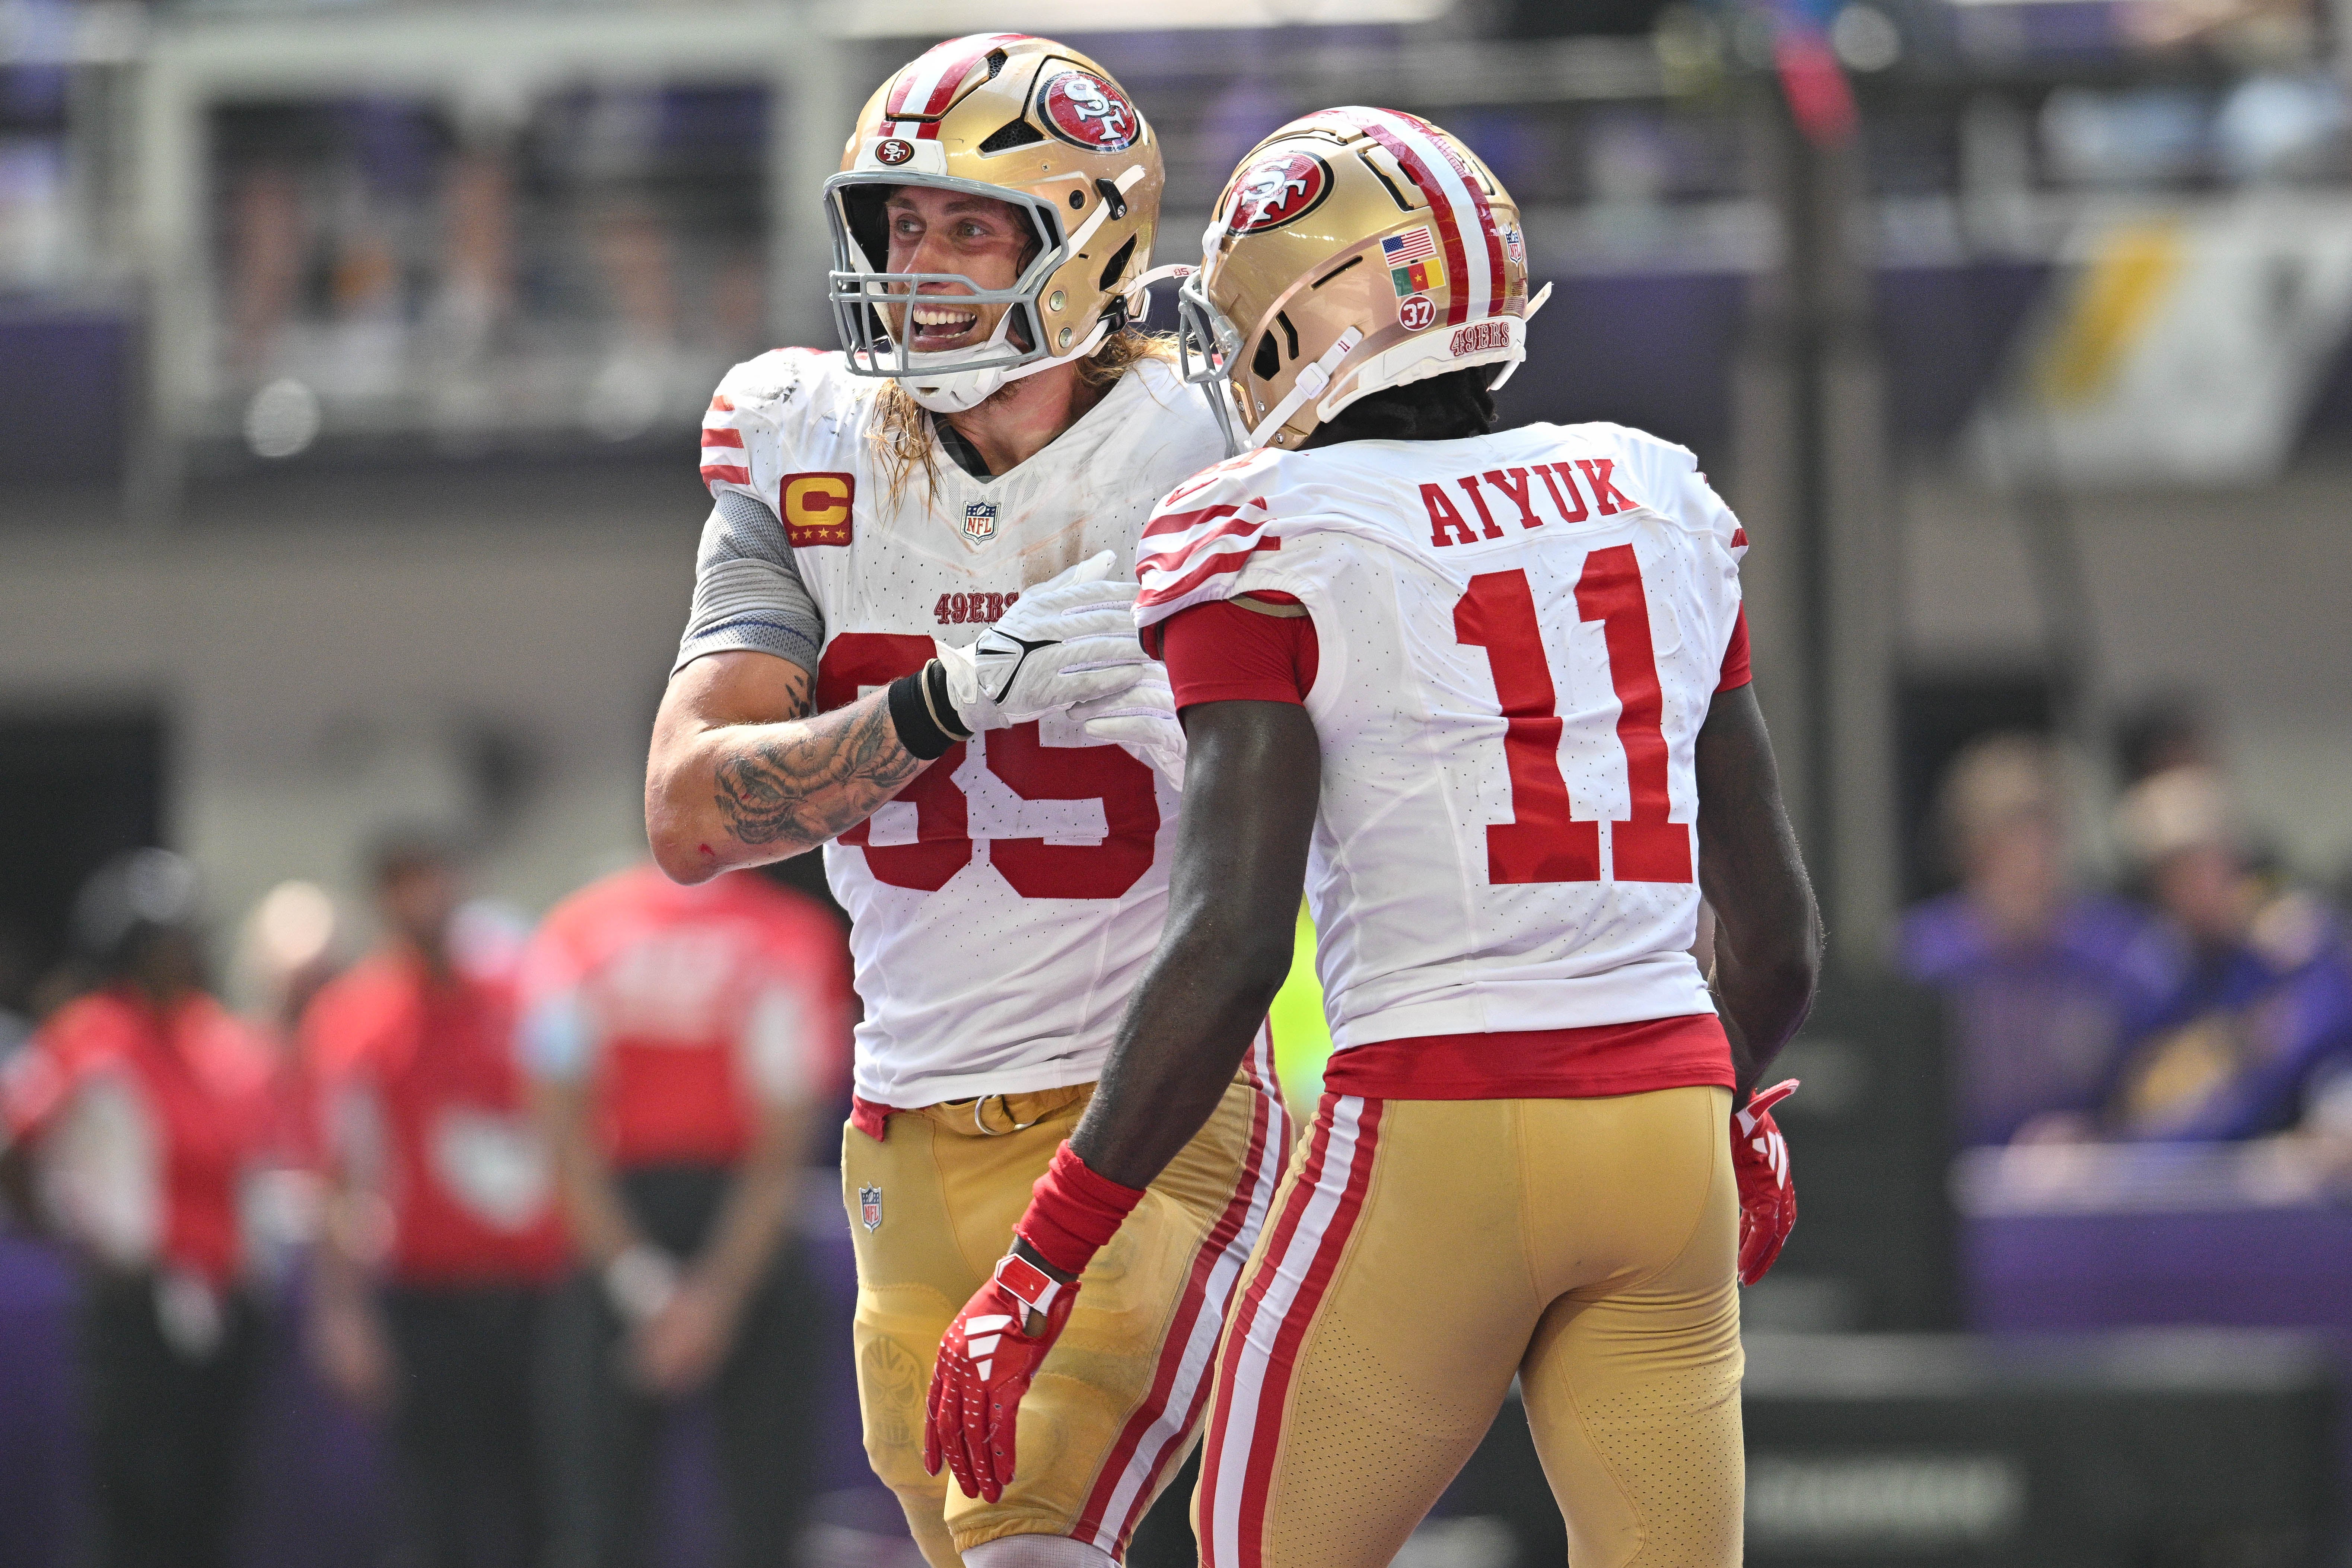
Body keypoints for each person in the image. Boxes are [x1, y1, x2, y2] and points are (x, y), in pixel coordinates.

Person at [922, 109, 1822, 1568]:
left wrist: (1044, 1256)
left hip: (1435, 1124)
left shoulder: (1264, 530)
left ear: (1301, 322)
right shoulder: (1655, 489)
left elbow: (1226, 947)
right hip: (1664, 1120)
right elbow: (1774, 930)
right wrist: (1727, 1120)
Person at [639, 34, 1291, 1568]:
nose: (917, 265)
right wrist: (960, 689)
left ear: (1089, 243)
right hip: (899, 1133)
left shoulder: (1210, 448)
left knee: (1032, 1525)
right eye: (899, 225)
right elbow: (687, 815)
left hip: (1142, 1106)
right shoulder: (806, 443)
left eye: (969, 226)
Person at [519, 861, 850, 1568]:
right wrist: (711, 1298)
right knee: (758, 1516)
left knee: (597, 1519)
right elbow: (785, 1140)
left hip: (630, 1237)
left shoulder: (576, 927)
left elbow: (559, 1129)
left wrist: (644, 1288)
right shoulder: (790, 932)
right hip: (733, 1238)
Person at [0, 850, 277, 1568]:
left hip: (222, 1298)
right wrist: (57, 1224)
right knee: (137, 1497)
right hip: (134, 1297)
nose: (179, 958)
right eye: (163, 943)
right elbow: (17, 1137)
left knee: (212, 1492)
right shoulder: (94, 1032)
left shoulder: (215, 1034)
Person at [302, 833, 566, 1568]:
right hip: (425, 1299)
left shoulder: (527, 994)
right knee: (440, 1507)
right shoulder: (354, 1015)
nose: (417, 897)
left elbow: (575, 1129)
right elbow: (336, 1171)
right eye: (398, 882)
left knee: (543, 1499)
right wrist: (342, 1310)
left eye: (428, 877)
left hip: (534, 1292)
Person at [1896, 735, 2180, 1146]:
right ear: (1968, 855)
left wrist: (2100, 1134)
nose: (2028, 866)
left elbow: (2166, 1086)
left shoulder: (2122, 954)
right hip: (1950, 1184)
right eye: (2004, 848)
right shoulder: (1920, 961)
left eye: (2043, 843)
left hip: (2087, 1187)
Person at [2106, 768, 2352, 1141]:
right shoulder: (2152, 975)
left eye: (2201, 863)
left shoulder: (2293, 945)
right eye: (2171, 872)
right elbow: (2141, 1098)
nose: (2190, 885)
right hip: (2200, 1165)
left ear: (2232, 859)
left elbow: (2316, 1050)